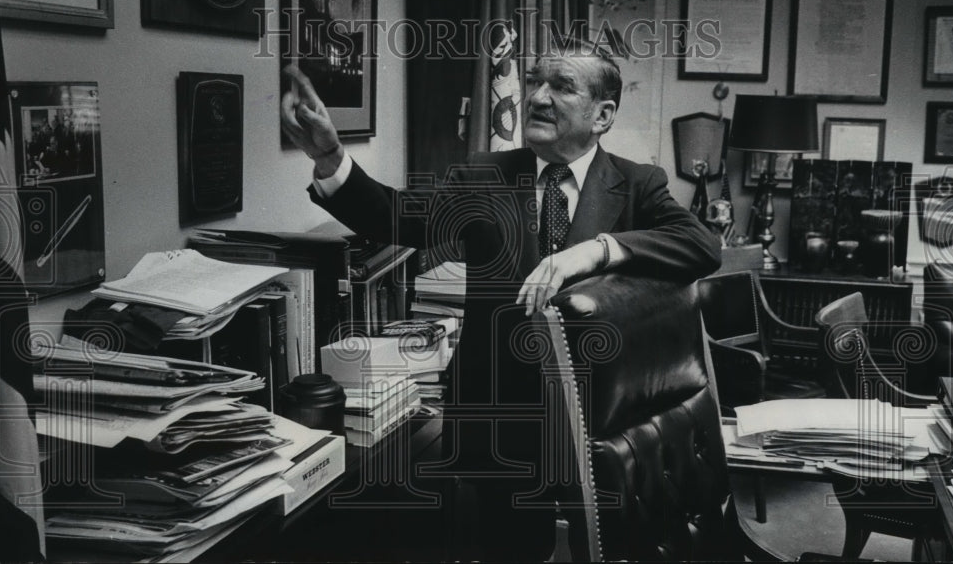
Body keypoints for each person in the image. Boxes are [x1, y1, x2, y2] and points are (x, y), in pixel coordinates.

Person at [280, 43, 721, 561]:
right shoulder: (483, 174)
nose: (538, 97)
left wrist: (596, 251)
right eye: (535, 81)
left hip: (604, 422)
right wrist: (330, 158)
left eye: (562, 86)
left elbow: (701, 245)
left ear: (602, 116)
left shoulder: (638, 184)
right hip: (501, 422)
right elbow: (395, 217)